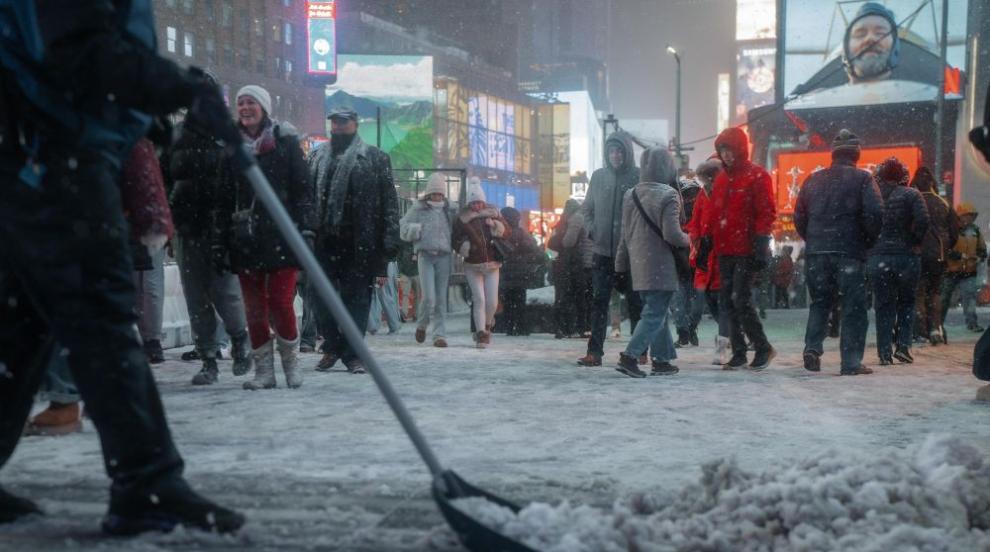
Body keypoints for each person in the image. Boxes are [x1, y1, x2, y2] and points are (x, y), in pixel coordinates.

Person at [0, 0, 245, 534]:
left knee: (22, 326)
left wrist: (151, 111)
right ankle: (146, 483)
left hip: (34, 155)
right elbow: (77, 51)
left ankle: (146, 482)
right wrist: (179, 87)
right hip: (51, 157)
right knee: (102, 322)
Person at [214, 85, 316, 390]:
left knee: (281, 302)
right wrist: (220, 240)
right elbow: (222, 198)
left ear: (264, 108)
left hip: (283, 236)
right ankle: (264, 372)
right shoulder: (231, 147)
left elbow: (303, 191)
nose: (245, 108)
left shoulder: (284, 143)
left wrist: (307, 229)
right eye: (241, 103)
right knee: (254, 307)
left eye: (252, 103)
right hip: (246, 237)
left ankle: (291, 364)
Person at [309, 106, 400, 373]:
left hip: (360, 242)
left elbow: (388, 204)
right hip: (323, 241)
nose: (338, 127)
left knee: (357, 300)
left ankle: (352, 353)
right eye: (335, 123)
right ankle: (334, 346)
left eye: (343, 123)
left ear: (355, 124)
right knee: (319, 300)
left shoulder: (375, 158)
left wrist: (387, 248)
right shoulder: (316, 157)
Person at [168, 115, 252, 385]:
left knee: (225, 292)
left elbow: (243, 182)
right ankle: (208, 358)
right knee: (195, 297)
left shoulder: (227, 134)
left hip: (221, 226)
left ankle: (240, 339)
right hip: (186, 226)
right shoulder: (175, 135)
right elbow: (163, 176)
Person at [794, 129, 883, 375]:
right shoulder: (864, 179)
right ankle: (851, 362)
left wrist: (813, 239)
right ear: (856, 154)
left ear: (833, 154)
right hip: (849, 252)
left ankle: (812, 348)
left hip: (817, 253)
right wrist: (865, 240)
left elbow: (799, 217)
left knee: (820, 303)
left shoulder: (812, 180)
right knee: (853, 307)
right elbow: (875, 214)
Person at [697, 127, 777, 370]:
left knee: (739, 299)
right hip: (724, 249)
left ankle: (762, 347)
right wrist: (706, 242)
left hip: (746, 247)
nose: (727, 155)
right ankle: (740, 351)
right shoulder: (722, 179)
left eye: (730, 150)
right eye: (723, 151)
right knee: (727, 301)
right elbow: (715, 214)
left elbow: (766, 211)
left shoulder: (757, 176)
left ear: (740, 150)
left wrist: (761, 242)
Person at [614, 147, 690, 378]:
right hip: (661, 265)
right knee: (655, 313)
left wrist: (620, 265)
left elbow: (624, 235)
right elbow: (672, 235)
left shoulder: (631, 194)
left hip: (638, 265)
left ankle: (662, 360)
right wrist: (691, 239)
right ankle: (630, 356)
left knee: (657, 312)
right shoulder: (668, 194)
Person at [578, 131, 642, 366]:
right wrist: (593, 229)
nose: (615, 155)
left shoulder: (637, 176)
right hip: (603, 252)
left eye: (620, 151)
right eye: (612, 151)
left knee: (636, 302)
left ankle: (638, 349)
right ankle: (595, 352)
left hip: (630, 253)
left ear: (627, 153)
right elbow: (586, 209)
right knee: (599, 302)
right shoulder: (598, 177)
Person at [868, 157, 929, 365]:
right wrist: (914, 239)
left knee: (883, 304)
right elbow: (923, 220)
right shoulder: (912, 194)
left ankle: (884, 352)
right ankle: (903, 346)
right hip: (907, 257)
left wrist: (872, 244)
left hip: (879, 257)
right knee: (907, 302)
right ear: (903, 176)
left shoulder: (873, 196)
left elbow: (866, 221)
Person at [400, 173, 454, 348]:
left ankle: (439, 335)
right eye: (434, 193)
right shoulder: (418, 208)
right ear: (429, 193)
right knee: (429, 297)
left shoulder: (449, 210)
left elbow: (459, 230)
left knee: (440, 299)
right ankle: (422, 324)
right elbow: (403, 228)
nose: (437, 196)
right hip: (425, 256)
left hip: (444, 257)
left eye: (440, 193)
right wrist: (416, 230)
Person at [452, 178, 507, 348]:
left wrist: (496, 225)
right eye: (474, 203)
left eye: (479, 202)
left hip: (492, 263)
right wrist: (464, 246)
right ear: (469, 203)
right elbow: (454, 239)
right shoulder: (462, 218)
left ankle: (488, 325)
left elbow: (507, 232)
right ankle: (481, 333)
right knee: (479, 299)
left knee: (492, 302)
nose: (477, 206)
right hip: (472, 264)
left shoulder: (493, 213)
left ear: (483, 201)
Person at [687, 159, 729, 365]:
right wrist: (695, 237)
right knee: (709, 302)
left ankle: (723, 343)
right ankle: (730, 334)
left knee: (722, 302)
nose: (706, 185)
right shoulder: (702, 195)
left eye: (709, 180)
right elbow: (695, 221)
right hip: (705, 256)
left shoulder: (727, 193)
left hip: (722, 255)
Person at [913, 166, 959, 345]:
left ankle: (920, 332)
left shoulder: (912, 199)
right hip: (938, 255)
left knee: (918, 293)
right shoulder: (943, 202)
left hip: (917, 253)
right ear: (932, 182)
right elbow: (954, 233)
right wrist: (945, 248)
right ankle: (935, 329)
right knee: (935, 292)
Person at [497, 206, 545, 336]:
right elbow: (534, 249)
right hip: (521, 273)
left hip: (506, 272)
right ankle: (521, 326)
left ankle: (509, 326)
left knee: (508, 301)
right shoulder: (522, 233)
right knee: (519, 300)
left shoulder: (501, 233)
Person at [941, 203, 986, 332]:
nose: (970, 219)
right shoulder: (950, 230)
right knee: (944, 299)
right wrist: (960, 256)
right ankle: (938, 324)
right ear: (960, 216)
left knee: (970, 298)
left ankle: (972, 324)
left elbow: (982, 248)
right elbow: (945, 249)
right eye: (968, 216)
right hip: (951, 271)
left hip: (969, 271)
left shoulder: (975, 231)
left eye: (972, 216)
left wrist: (980, 256)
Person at [672, 178, 702, 347]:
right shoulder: (675, 216)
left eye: (693, 196)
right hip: (680, 266)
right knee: (679, 303)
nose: (691, 200)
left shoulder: (702, 216)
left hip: (697, 267)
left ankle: (691, 328)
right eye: (687, 196)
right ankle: (683, 333)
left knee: (696, 305)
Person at [368, 261, 402, 335]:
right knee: (374, 295)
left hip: (382, 266)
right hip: (378, 265)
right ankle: (373, 326)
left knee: (383, 295)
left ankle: (394, 326)